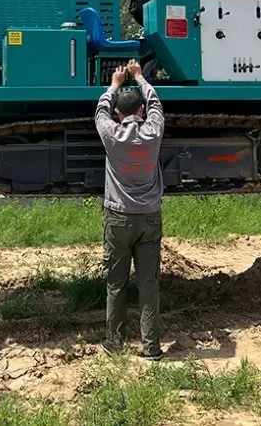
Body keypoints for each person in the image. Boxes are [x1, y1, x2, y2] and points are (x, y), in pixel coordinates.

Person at [94, 58, 166, 360]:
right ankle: (151, 348)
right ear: (141, 112)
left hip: (119, 219)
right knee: (149, 285)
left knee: (116, 283)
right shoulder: (153, 132)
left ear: (117, 113)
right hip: (149, 217)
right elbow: (156, 104)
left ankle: (115, 343)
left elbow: (100, 111)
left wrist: (115, 83)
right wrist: (139, 77)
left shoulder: (111, 133)